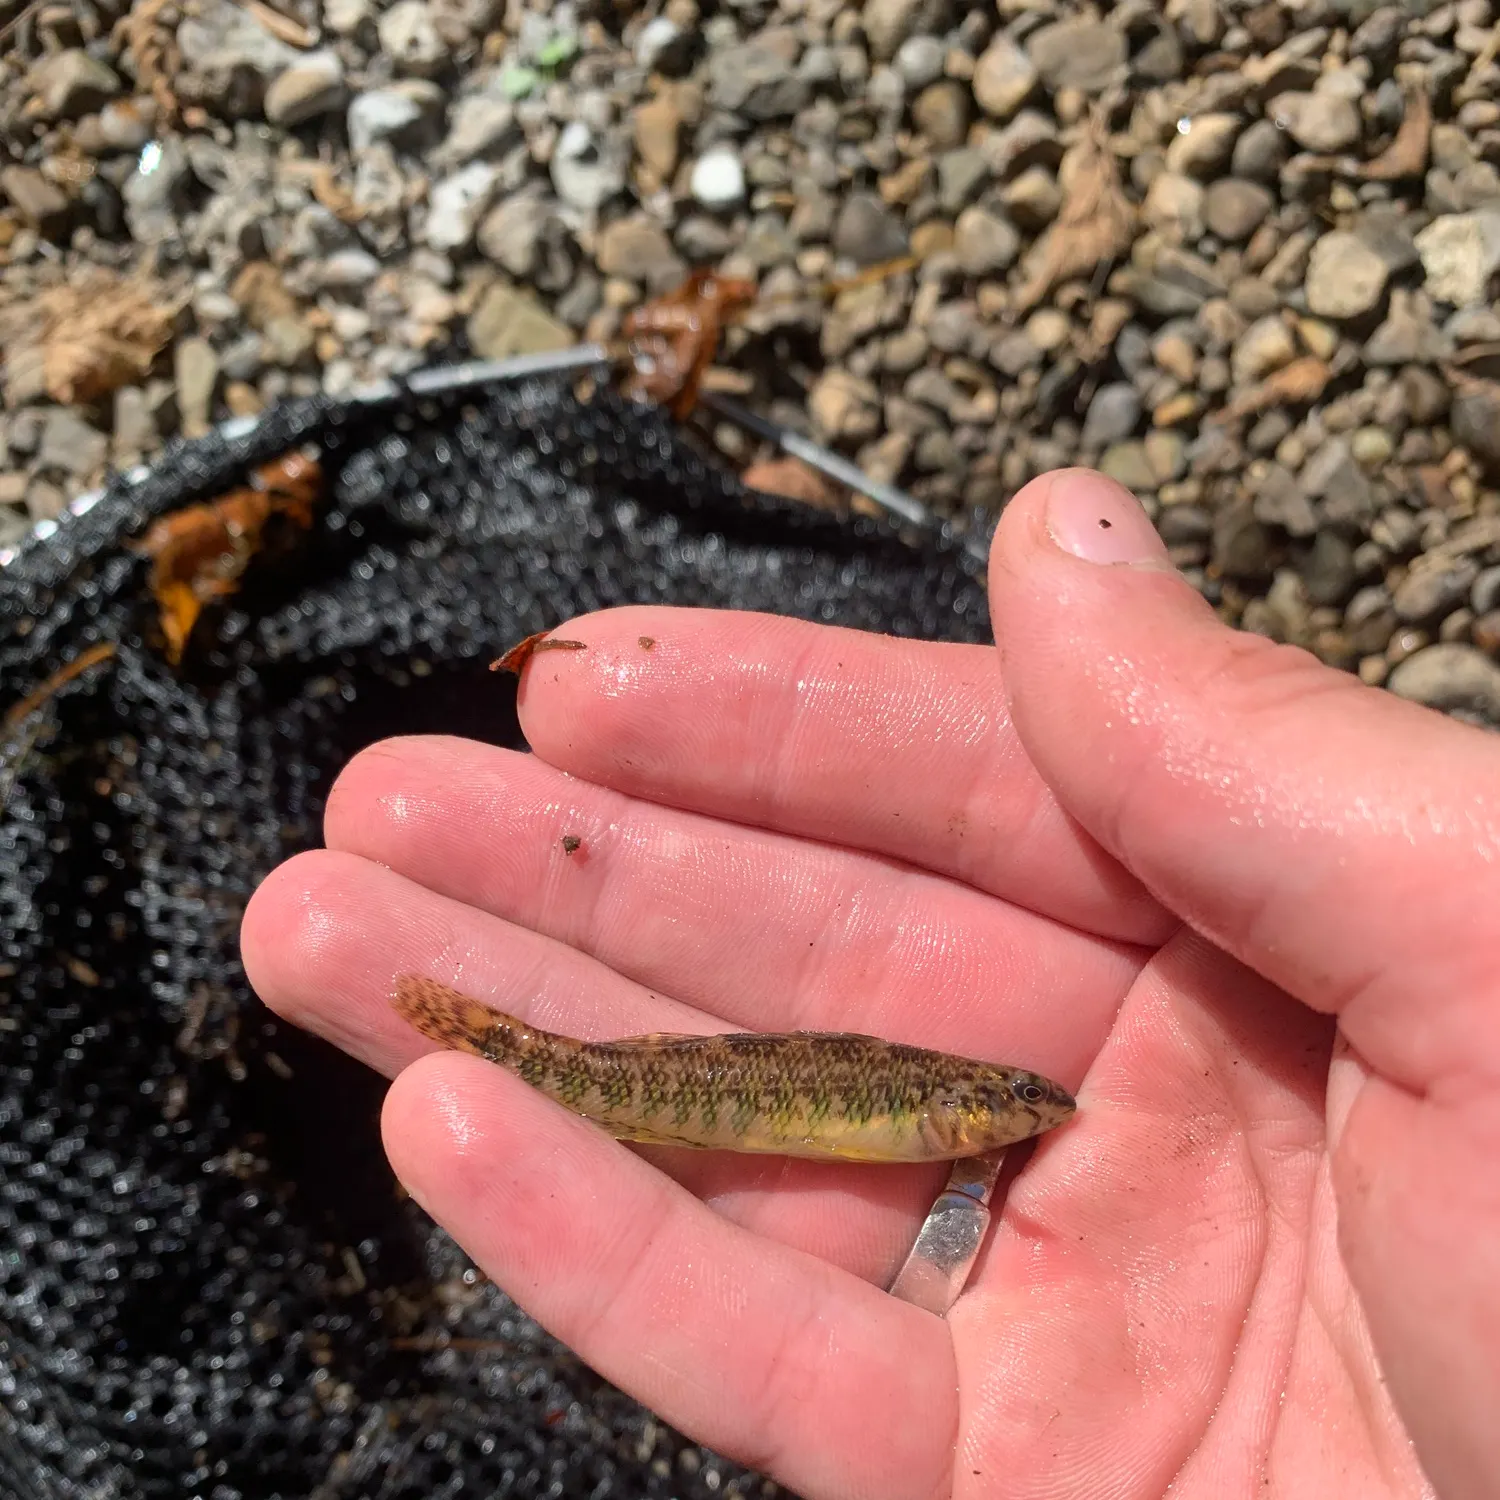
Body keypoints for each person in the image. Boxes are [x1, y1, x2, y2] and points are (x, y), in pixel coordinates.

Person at [241, 468, 1496, 1500]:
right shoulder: (941, 1110)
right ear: (964, 1109)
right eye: (1010, 1097)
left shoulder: (955, 1120)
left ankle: (485, 1050)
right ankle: (482, 1047)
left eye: (1017, 1099)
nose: (1026, 1108)